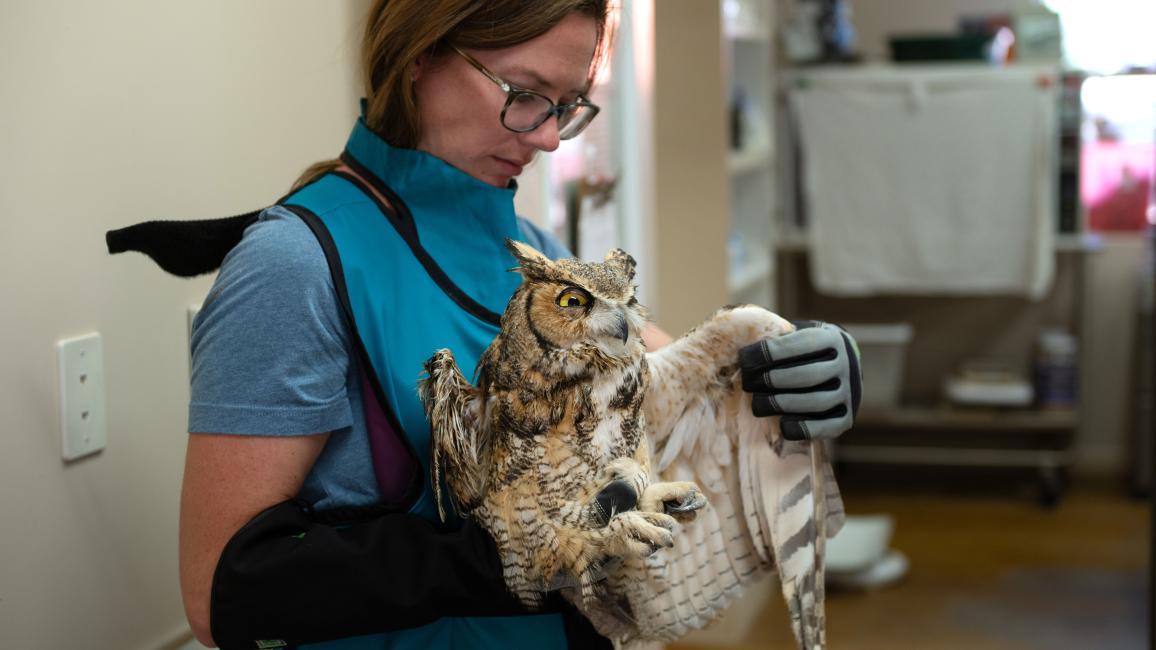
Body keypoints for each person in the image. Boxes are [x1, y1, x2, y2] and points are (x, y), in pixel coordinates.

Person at [136, 1, 862, 648]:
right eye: (525, 94)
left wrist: (788, 368)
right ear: (420, 54)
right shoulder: (294, 265)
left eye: (568, 105)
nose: (548, 138)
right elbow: (220, 595)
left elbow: (669, 392)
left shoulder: (531, 250)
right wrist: (516, 552)